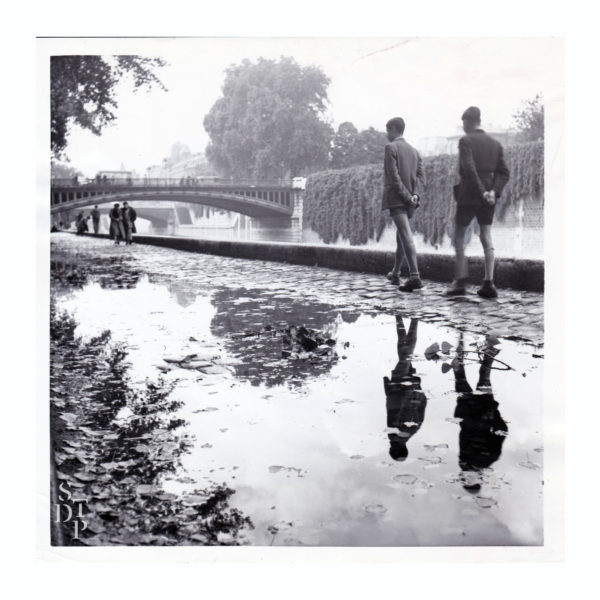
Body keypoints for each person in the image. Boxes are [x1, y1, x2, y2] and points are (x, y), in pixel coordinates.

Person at [446, 106, 510, 298]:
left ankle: (460, 282)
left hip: (469, 195)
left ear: (467, 122)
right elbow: (504, 172)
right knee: (486, 236)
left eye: (463, 123)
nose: (463, 127)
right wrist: (493, 191)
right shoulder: (495, 144)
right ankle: (489, 283)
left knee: (459, 237)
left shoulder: (466, 140)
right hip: (488, 197)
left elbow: (470, 169)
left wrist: (482, 192)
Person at [450, 333, 508, 493]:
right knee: (482, 377)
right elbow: (502, 433)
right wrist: (493, 414)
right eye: (470, 481)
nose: (465, 477)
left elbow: (464, 437)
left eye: (464, 480)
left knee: (463, 377)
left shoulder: (464, 462)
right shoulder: (487, 459)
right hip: (483, 410)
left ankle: (463, 339)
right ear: (479, 478)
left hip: (469, 412)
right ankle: (487, 348)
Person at [382, 117, 425, 292]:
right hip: (411, 202)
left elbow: (393, 177)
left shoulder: (390, 147)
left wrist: (407, 197)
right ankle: (396, 273)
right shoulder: (415, 152)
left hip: (398, 199)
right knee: (401, 237)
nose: (387, 134)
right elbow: (421, 178)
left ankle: (415, 277)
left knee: (405, 235)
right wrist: (414, 196)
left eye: (387, 130)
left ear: (393, 129)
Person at [383, 316, 427, 461]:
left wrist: (417, 389)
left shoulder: (409, 432)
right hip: (402, 388)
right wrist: (408, 391)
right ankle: (414, 318)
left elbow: (421, 408)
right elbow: (404, 409)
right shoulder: (399, 434)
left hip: (404, 389)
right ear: (395, 449)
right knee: (406, 355)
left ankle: (401, 316)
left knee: (403, 352)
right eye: (391, 449)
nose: (390, 447)